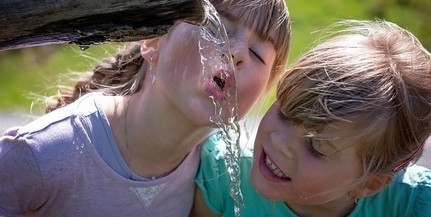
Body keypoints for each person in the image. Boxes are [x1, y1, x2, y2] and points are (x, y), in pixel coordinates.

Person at [0, 0, 291, 216]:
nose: (236, 52)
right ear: (152, 42)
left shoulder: (216, 177)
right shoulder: (44, 153)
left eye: (256, 53)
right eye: (218, 29)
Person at [192, 19, 431, 217]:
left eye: (315, 146)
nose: (280, 143)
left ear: (368, 184)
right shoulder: (223, 174)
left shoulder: (413, 206)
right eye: (285, 114)